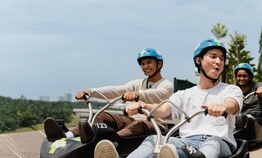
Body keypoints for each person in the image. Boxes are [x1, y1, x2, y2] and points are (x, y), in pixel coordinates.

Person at [93, 38, 243, 158]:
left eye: (222, 59)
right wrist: (144, 106)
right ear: (199, 61)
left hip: (220, 142)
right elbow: (164, 109)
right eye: (213, 56)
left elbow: (233, 104)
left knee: (213, 143)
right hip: (188, 143)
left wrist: (222, 106)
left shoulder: (230, 90)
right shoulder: (184, 94)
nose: (218, 62)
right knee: (154, 139)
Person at [43, 48, 174, 143]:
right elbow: (116, 90)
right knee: (101, 115)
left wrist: (137, 95)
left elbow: (155, 94)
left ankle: (109, 143)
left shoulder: (166, 85)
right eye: (143, 64)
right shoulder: (137, 83)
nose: (146, 66)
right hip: (132, 120)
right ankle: (66, 135)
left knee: (137, 125)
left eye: (149, 62)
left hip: (155, 124)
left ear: (159, 64)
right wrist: (90, 91)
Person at [234, 63, 262, 129]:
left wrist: (260, 90)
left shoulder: (256, 85)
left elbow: (260, 87)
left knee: (248, 121)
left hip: (260, 114)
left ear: (250, 77)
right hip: (244, 116)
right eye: (239, 76)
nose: (241, 78)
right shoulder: (235, 89)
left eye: (244, 76)